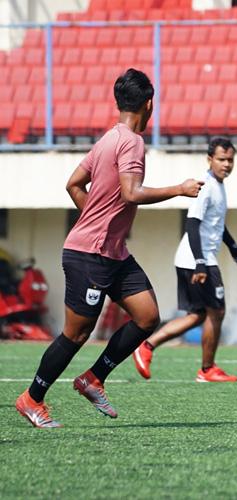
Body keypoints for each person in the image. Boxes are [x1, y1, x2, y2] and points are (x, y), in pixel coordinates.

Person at [15, 69, 203, 428]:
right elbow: (131, 192)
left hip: (113, 253)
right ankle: (31, 398)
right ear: (149, 104)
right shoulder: (131, 142)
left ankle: (93, 378)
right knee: (76, 334)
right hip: (90, 255)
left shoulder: (107, 140)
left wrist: (98, 215)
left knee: (147, 317)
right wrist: (178, 189)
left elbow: (73, 184)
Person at [133, 137, 237, 382]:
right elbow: (192, 224)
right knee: (216, 312)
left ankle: (147, 346)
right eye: (221, 159)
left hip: (194, 258)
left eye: (230, 160)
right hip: (199, 260)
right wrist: (200, 263)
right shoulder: (205, 185)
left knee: (198, 315)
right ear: (209, 160)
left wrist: (234, 247)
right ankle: (207, 370)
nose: (226, 164)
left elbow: (215, 224)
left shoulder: (219, 185)